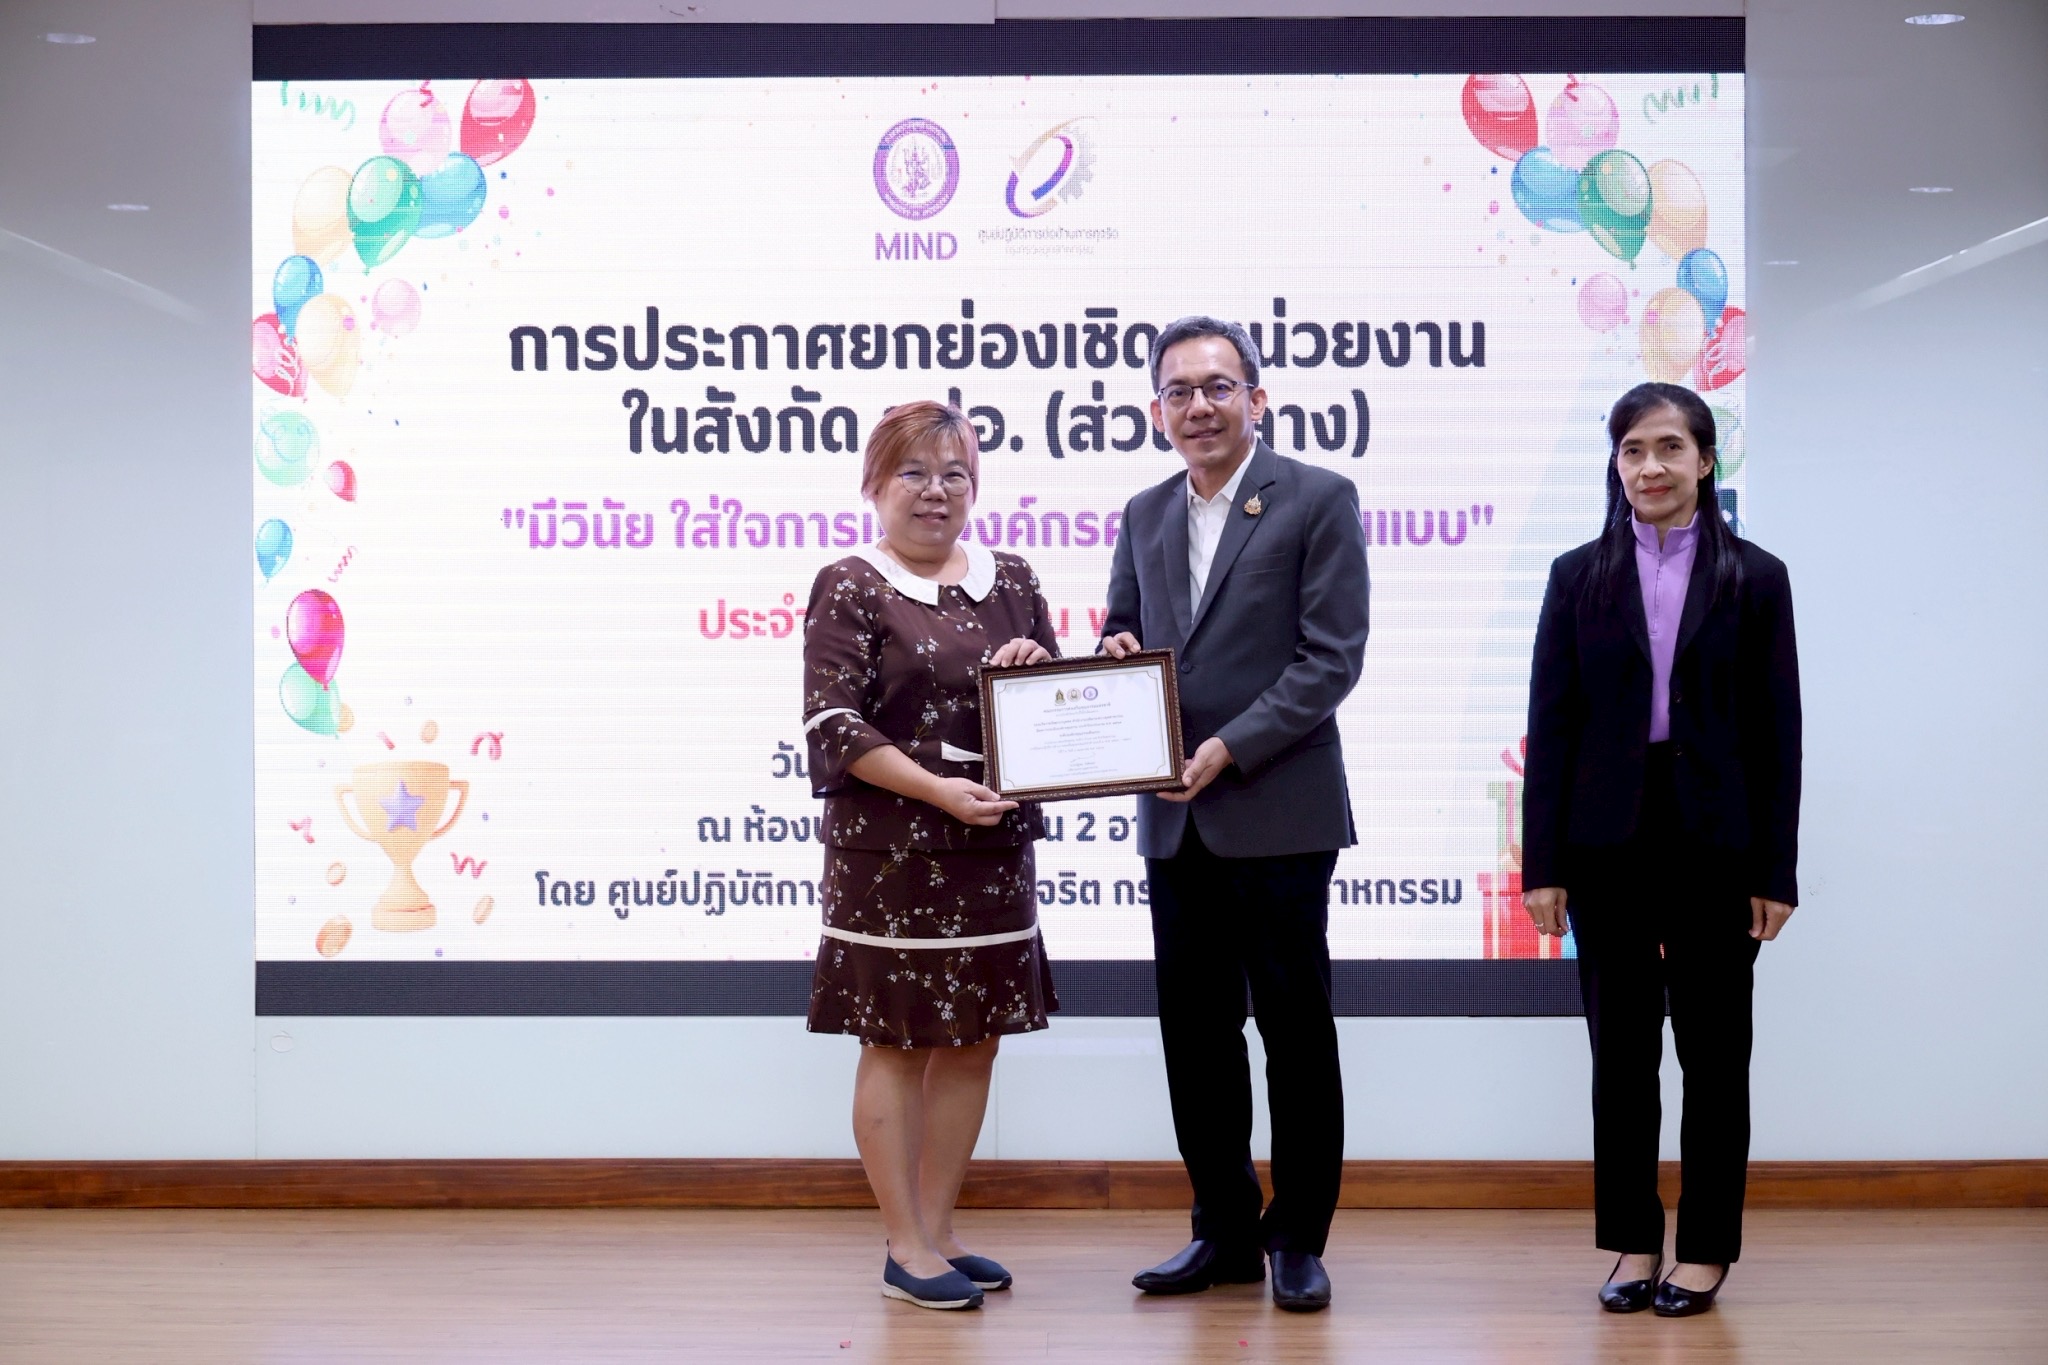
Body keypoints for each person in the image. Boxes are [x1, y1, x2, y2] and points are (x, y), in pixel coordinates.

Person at [1099, 316, 1370, 1313]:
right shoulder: (1143, 513)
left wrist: (1227, 746)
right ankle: (1221, 1230)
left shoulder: (1317, 498)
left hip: (1277, 809)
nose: (1198, 406)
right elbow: (1123, 631)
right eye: (1177, 391)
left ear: (1257, 399)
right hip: (1175, 819)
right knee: (1195, 1034)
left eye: (1217, 386)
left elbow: (1330, 658)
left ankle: (1297, 1237)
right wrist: (1102, 668)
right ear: (1156, 411)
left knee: (1295, 1033)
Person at [1521, 381, 1801, 1319]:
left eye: (1670, 447)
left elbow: (1779, 732)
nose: (1651, 466)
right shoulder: (1577, 576)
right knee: (1621, 1056)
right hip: (1606, 845)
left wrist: (1775, 869)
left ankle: (1707, 1247)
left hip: (1717, 844)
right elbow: (1551, 725)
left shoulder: (1757, 576)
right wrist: (1542, 864)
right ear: (1616, 463)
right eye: (1634, 449)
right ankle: (1634, 1239)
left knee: (1716, 1057)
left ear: (1705, 461)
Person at [801, 400, 1061, 1311]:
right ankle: (903, 1244)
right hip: (892, 858)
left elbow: (1053, 719)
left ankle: (940, 1230)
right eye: (913, 472)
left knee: (975, 1042)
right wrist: (940, 789)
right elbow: (834, 725)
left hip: (991, 852)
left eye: (954, 473)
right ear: (875, 484)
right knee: (897, 1042)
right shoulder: (850, 582)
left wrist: (1037, 671)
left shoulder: (1013, 578)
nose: (935, 491)